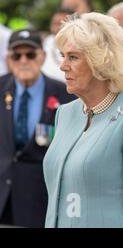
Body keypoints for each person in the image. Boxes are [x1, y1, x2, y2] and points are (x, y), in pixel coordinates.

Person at [43, 13, 123, 227]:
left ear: (101, 60)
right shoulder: (65, 113)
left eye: (73, 57)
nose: (63, 66)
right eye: (62, 56)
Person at [0, 29, 73, 227]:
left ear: (42, 56)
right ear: (8, 59)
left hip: (41, 200)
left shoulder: (65, 94)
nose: (23, 60)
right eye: (17, 55)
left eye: (30, 54)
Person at [41, 7, 75, 82]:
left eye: (60, 23)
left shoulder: (80, 45)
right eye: (54, 23)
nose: (56, 27)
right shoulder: (45, 42)